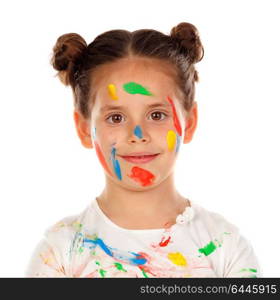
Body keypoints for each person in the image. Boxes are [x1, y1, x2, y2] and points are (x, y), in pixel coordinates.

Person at [25, 22, 261, 278]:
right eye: (116, 118)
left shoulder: (225, 248)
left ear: (189, 122)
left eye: (157, 115)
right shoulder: (60, 254)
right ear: (84, 128)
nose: (138, 135)